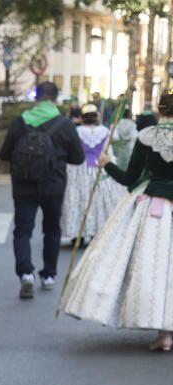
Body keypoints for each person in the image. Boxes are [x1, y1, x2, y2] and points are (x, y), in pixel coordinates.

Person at [62, 91, 173, 352]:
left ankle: (165, 332)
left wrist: (106, 164)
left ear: (159, 110)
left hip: (153, 209)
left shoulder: (147, 137)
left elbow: (131, 179)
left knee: (155, 268)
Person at [0, 81, 84, 299]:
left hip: (23, 185)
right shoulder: (65, 124)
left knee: (22, 231)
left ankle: (26, 273)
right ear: (55, 98)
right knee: (51, 230)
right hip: (54, 186)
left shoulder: (20, 122)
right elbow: (78, 158)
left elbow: (4, 153)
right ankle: (48, 275)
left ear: (36, 98)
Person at [61, 104, 123, 243]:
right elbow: (109, 152)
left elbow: (72, 152)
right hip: (100, 167)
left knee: (78, 197)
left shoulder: (76, 131)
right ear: (96, 117)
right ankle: (98, 230)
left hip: (80, 168)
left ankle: (78, 233)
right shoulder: (105, 131)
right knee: (99, 198)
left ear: (82, 118)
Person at [110, 104, 138, 170]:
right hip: (129, 149)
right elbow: (135, 136)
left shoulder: (115, 124)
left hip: (118, 150)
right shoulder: (132, 124)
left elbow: (114, 137)